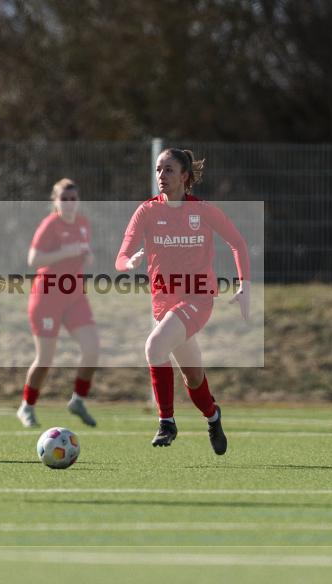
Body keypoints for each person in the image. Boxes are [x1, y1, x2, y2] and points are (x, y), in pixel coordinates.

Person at [115, 148, 250, 455]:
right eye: (159, 170)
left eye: (169, 170)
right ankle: (213, 416)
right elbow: (120, 257)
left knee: (154, 347)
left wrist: (245, 285)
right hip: (165, 305)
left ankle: (166, 422)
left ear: (185, 177)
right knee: (193, 376)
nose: (161, 176)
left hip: (198, 298)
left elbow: (238, 243)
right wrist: (130, 262)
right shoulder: (147, 211)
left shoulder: (201, 211)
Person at [17, 178, 100, 428]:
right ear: (55, 201)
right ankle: (27, 406)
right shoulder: (50, 224)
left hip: (74, 297)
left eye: (73, 199)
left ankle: (78, 400)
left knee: (92, 349)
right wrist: (66, 252)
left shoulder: (83, 223)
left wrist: (88, 256)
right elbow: (33, 259)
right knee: (45, 359)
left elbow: (84, 254)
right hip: (47, 298)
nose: (69, 204)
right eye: (64, 199)